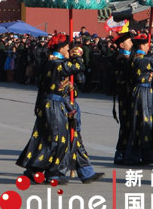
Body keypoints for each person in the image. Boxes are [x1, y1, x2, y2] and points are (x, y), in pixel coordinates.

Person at [16, 34, 103, 184]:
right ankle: (51, 173)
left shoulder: (51, 62)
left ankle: (84, 172)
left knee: (66, 138)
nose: (69, 49)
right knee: (58, 140)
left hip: (58, 104)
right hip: (55, 105)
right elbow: (78, 67)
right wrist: (78, 56)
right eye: (68, 47)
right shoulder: (56, 63)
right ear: (61, 48)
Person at [123, 34, 153, 165]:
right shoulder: (142, 59)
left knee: (149, 122)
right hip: (142, 91)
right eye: (147, 45)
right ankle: (133, 156)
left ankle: (149, 153)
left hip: (145, 91)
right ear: (142, 45)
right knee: (141, 122)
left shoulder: (135, 57)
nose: (149, 47)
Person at [112, 31, 134, 164]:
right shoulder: (120, 58)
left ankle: (129, 152)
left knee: (131, 124)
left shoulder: (130, 57)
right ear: (121, 44)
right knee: (126, 124)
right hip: (125, 95)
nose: (131, 43)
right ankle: (121, 152)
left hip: (130, 95)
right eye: (129, 41)